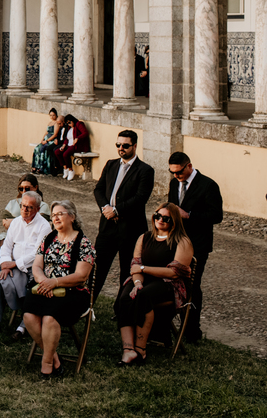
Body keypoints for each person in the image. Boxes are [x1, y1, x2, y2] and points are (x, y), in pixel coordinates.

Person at [114, 203, 194, 365]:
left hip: (170, 284)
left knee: (144, 297)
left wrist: (144, 269)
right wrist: (137, 283)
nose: (161, 220)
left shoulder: (182, 241)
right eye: (158, 216)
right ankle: (128, 350)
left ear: (175, 221)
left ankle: (140, 350)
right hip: (143, 279)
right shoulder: (144, 237)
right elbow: (135, 266)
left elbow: (174, 272)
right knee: (125, 296)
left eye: (166, 218)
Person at [23, 200, 96, 378]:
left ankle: (47, 363)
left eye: (60, 214)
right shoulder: (48, 238)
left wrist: (54, 283)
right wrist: (44, 283)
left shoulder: (83, 243)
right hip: (45, 288)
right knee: (28, 315)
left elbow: (81, 276)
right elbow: (37, 266)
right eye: (53, 215)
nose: (55, 218)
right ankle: (55, 357)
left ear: (72, 216)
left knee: (49, 318)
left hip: (73, 293)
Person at [167, 151, 223, 342]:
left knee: (191, 284)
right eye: (172, 172)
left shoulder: (208, 185)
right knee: (174, 281)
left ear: (189, 166)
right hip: (176, 242)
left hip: (198, 244)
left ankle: (191, 331)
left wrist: (189, 215)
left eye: (179, 172)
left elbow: (217, 216)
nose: (176, 176)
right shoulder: (174, 183)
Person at [92, 129, 155, 298]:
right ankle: (87, 306)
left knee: (127, 272)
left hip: (131, 229)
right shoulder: (111, 164)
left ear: (134, 146)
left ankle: (122, 310)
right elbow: (98, 189)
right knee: (97, 267)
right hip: (107, 226)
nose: (121, 148)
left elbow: (140, 198)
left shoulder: (145, 170)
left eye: (125, 145)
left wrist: (117, 210)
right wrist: (106, 208)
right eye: (118, 145)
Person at [0, 190, 50, 339]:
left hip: (32, 268)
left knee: (29, 288)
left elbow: (37, 253)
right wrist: (5, 264)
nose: (24, 209)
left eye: (29, 207)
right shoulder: (15, 222)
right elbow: (7, 245)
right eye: (23, 205)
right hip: (12, 265)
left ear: (38, 209)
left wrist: (14, 264)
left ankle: (23, 326)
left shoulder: (44, 226)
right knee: (1, 280)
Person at [0, 174, 51, 266]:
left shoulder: (42, 205)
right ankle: (4, 264)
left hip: (31, 240)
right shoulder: (13, 203)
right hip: (16, 234)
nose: (23, 191)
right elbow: (5, 223)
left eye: (27, 189)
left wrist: (16, 220)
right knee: (2, 238)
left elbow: (35, 221)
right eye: (21, 188)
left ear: (35, 187)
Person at [55, 114, 90, 180]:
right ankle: (65, 168)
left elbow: (85, 133)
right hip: (69, 144)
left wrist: (77, 138)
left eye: (69, 122)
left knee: (65, 154)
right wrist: (64, 145)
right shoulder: (69, 128)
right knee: (58, 152)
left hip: (77, 145)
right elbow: (66, 138)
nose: (69, 124)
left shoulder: (79, 124)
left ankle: (71, 170)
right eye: (67, 123)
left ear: (72, 120)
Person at [31, 108, 62, 176]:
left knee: (43, 149)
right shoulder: (50, 123)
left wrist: (47, 141)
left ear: (56, 115)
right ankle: (36, 166)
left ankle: (42, 168)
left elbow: (55, 134)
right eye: (50, 115)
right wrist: (42, 140)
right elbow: (46, 132)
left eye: (53, 115)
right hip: (45, 140)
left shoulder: (56, 123)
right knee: (37, 148)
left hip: (51, 141)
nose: (52, 117)